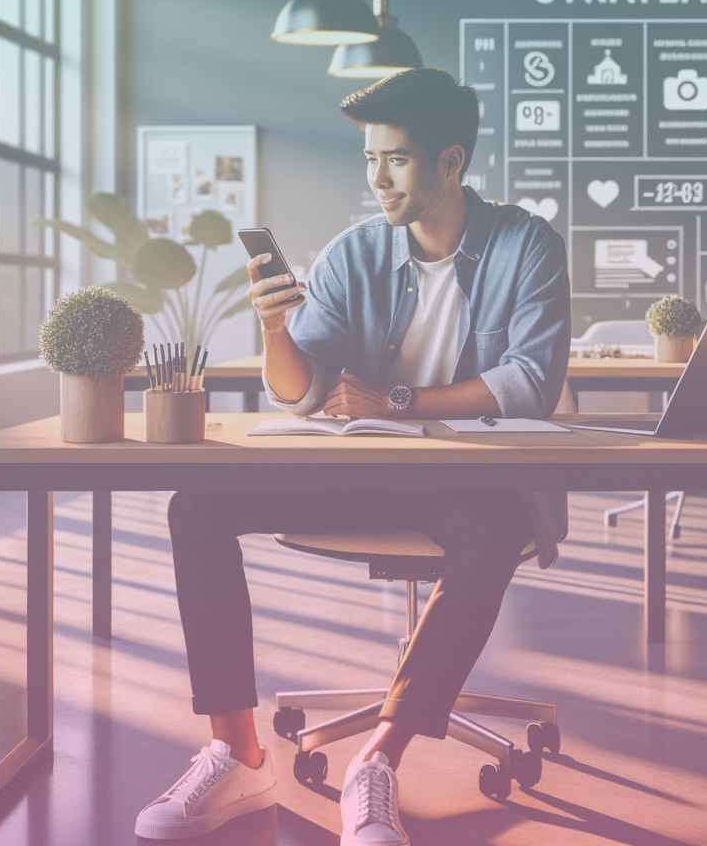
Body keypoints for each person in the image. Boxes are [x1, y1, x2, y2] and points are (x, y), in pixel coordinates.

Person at [134, 68, 571, 845]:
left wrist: (397, 402)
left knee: (494, 532)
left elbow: (532, 383)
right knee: (196, 506)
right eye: (370, 160)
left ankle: (377, 762)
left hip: (465, 483)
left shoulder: (526, 245)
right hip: (359, 473)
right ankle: (236, 752)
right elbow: (299, 394)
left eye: (396, 160)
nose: (378, 179)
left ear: (450, 162)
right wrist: (275, 329)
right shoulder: (352, 254)